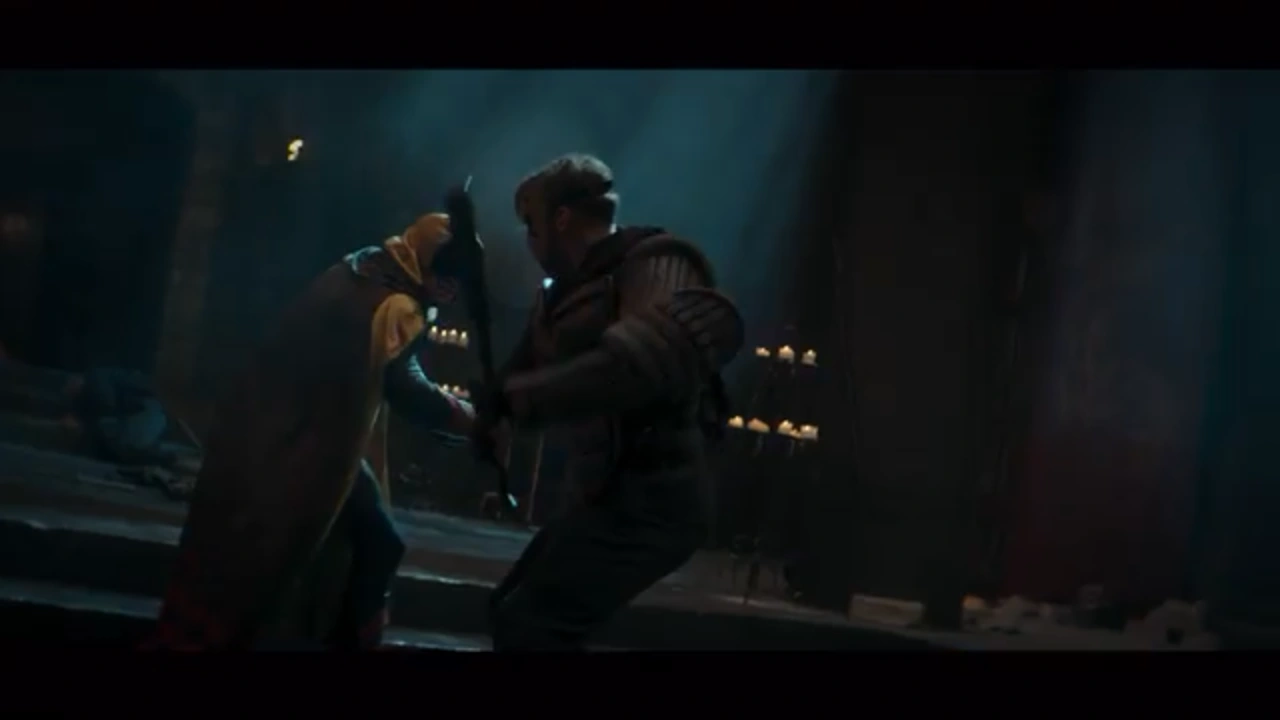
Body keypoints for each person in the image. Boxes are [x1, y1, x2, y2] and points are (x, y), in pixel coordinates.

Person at [147, 212, 475, 651]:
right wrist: (470, 418)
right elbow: (406, 388)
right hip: (304, 446)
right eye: (446, 277)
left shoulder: (365, 267)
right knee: (369, 545)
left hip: (282, 429)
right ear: (426, 262)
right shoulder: (393, 304)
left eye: (458, 282)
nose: (451, 291)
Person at [474, 153, 744, 651]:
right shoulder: (565, 293)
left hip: (656, 501)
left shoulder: (656, 262)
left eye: (532, 225)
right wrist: (494, 408)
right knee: (511, 611)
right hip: (603, 496)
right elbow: (525, 369)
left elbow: (638, 366)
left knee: (533, 625)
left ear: (561, 218)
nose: (528, 240)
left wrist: (525, 398)